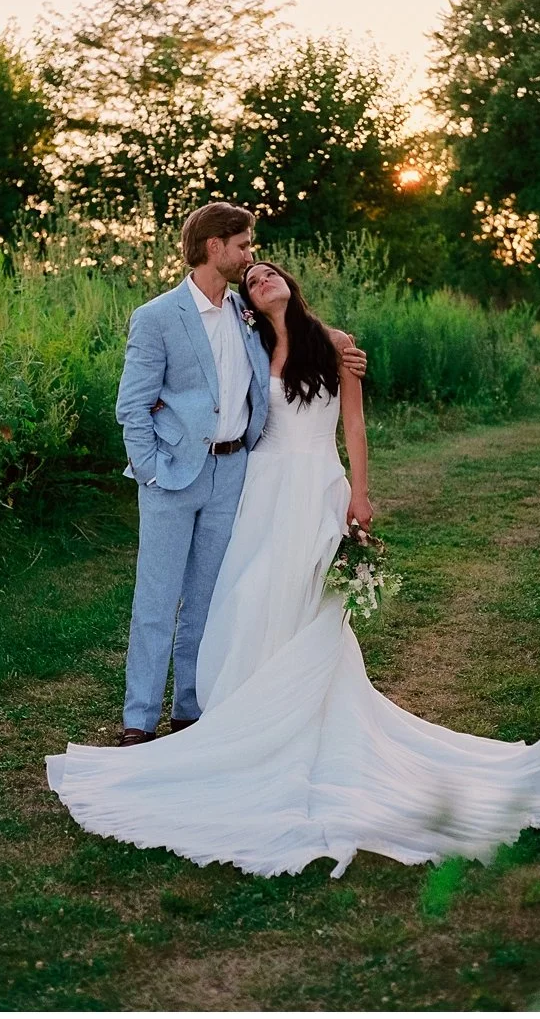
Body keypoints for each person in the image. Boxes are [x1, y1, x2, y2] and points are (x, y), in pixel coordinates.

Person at [46, 260, 540, 880]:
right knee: (244, 598)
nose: (260, 279)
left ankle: (292, 723)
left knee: (302, 599)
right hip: (257, 489)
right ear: (247, 298)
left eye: (270, 272)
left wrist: (360, 492)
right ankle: (221, 711)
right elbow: (214, 390)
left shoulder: (336, 346)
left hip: (313, 485)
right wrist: (169, 412)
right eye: (251, 278)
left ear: (291, 285)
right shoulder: (252, 341)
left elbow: (353, 424)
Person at [109, 202, 366, 747]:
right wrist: (152, 471)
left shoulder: (246, 316)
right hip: (172, 478)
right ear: (214, 247)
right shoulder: (157, 317)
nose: (251, 256)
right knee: (157, 600)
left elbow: (297, 343)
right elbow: (132, 406)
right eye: (244, 246)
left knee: (209, 599)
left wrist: (346, 353)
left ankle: (191, 711)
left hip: (235, 476)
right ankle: (138, 721)